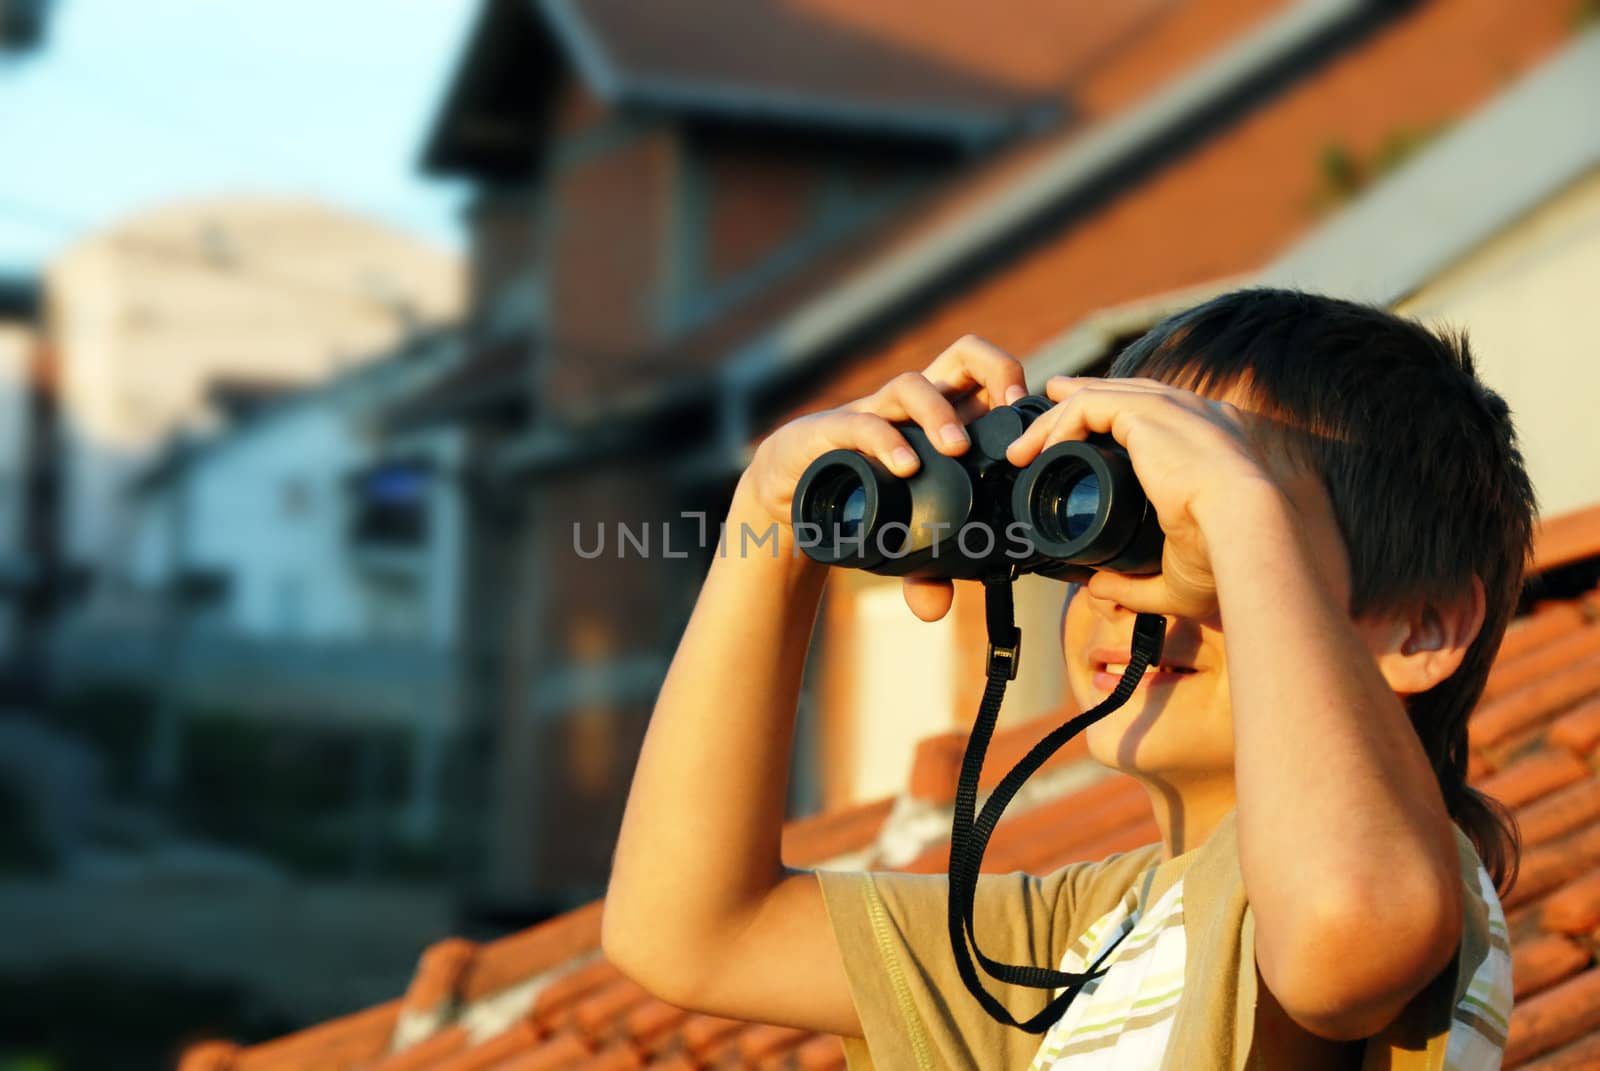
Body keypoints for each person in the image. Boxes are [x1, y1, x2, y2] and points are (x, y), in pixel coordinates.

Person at [601, 288, 1531, 1069]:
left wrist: (1237, 512)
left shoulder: (1401, 863)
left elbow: (1340, 925)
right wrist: (768, 518)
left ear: (1422, 626)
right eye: (1109, 513)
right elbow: (691, 931)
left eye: (1189, 527)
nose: (1134, 588)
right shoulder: (1079, 940)